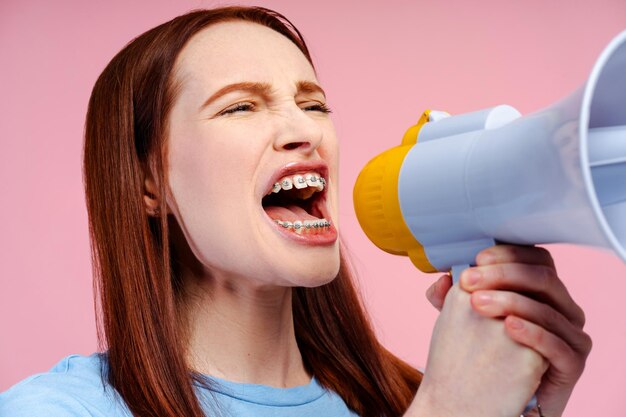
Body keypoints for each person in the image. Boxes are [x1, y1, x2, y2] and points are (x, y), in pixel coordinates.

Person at [0, 6, 591, 417]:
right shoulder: (58, 408)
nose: (301, 130)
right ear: (149, 181)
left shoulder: (405, 399)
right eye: (240, 108)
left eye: (314, 103)